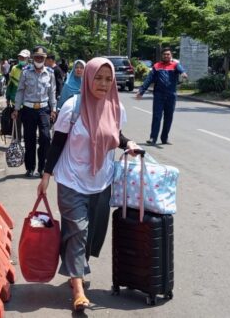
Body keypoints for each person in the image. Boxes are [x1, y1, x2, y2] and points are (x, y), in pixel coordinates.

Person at [38, 57, 141, 312]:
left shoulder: (116, 108)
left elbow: (114, 136)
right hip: (71, 180)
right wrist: (46, 175)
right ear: (88, 78)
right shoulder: (72, 108)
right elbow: (57, 143)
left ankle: (75, 268)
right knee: (79, 231)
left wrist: (128, 144)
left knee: (92, 234)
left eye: (109, 79)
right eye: (98, 77)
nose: (104, 84)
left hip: (102, 181)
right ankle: (78, 289)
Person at [13, 46, 57, 177]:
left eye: (41, 57)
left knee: (45, 138)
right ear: (33, 58)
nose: (39, 59)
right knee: (29, 139)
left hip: (44, 109)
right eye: (36, 57)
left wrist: (53, 109)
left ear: (45, 59)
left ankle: (42, 167)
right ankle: (30, 168)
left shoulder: (50, 72)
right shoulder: (26, 71)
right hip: (28, 109)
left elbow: (52, 92)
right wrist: (16, 108)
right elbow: (20, 90)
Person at [135, 48, 188, 145]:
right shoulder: (157, 66)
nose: (166, 56)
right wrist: (141, 91)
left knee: (168, 117)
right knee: (157, 117)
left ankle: (164, 138)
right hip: (159, 95)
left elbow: (181, 70)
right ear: (162, 56)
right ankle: (153, 138)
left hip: (171, 96)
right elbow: (149, 79)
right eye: (164, 54)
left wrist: (183, 73)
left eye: (168, 54)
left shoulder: (175, 65)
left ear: (171, 56)